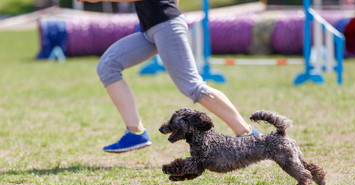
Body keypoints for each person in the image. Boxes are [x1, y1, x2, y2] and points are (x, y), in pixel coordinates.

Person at [77, 0, 260, 153]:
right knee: (107, 65)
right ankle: (135, 133)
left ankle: (247, 134)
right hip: (150, 31)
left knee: (192, 86)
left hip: (167, 26)